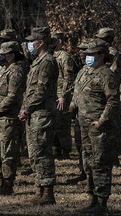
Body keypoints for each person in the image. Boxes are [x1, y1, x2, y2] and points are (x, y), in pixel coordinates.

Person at [69, 38, 119, 214]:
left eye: (91, 54)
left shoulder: (106, 74)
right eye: (86, 54)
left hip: (99, 127)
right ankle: (93, 199)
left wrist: (102, 120)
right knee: (88, 161)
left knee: (100, 162)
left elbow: (113, 101)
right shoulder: (85, 71)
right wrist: (73, 107)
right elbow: (77, 91)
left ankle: (102, 203)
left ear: (101, 55)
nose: (87, 57)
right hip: (83, 124)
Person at [18, 27, 58, 205]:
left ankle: (48, 193)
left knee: (42, 152)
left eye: (32, 41)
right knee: (34, 152)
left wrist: (26, 108)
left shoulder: (47, 61)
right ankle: (39, 190)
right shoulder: (38, 61)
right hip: (34, 114)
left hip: (42, 113)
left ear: (40, 42)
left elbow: (40, 91)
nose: (29, 44)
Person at [0, 41, 25, 195]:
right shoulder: (4, 70)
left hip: (7, 118)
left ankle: (8, 184)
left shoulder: (16, 71)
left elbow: (12, 96)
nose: (0, 57)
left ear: (12, 55)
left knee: (7, 151)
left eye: (4, 54)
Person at [96, 28, 121, 160]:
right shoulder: (101, 52)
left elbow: (112, 75)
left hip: (111, 90)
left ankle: (114, 153)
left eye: (102, 38)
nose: (99, 40)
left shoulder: (113, 54)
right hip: (103, 90)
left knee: (113, 123)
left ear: (109, 39)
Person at [66, 38, 93, 184]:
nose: (82, 53)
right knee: (80, 144)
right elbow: (76, 91)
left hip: (93, 116)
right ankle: (83, 171)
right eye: (81, 50)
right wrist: (72, 106)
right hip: (79, 115)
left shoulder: (102, 72)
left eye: (85, 50)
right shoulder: (82, 71)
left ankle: (92, 175)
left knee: (92, 148)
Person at [50, 32, 78, 160]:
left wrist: (63, 95)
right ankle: (56, 151)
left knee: (63, 124)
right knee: (53, 124)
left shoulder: (65, 57)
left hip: (62, 95)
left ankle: (65, 151)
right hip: (51, 94)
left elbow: (68, 78)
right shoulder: (49, 56)